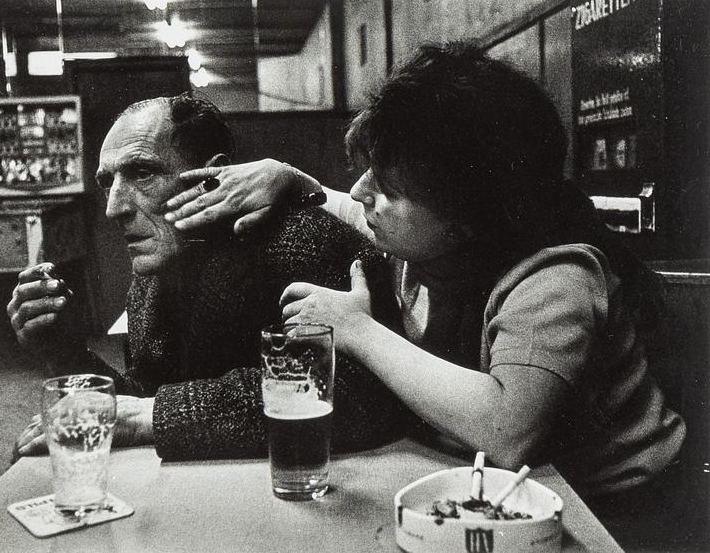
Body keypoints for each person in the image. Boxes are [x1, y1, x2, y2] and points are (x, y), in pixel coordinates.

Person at [162, 43, 686, 544]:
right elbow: (350, 207)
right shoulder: (431, 237)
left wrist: (357, 332)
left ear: (466, 214)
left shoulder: (555, 278)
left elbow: (507, 432)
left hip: (622, 514)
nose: (365, 191)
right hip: (509, 501)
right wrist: (291, 180)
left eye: (389, 187)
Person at [7, 92, 408, 461]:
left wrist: (148, 416)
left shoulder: (299, 244)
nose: (114, 208)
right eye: (107, 182)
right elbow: (148, 397)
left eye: (142, 174)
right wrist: (64, 350)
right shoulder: (153, 278)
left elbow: (354, 401)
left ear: (212, 177)